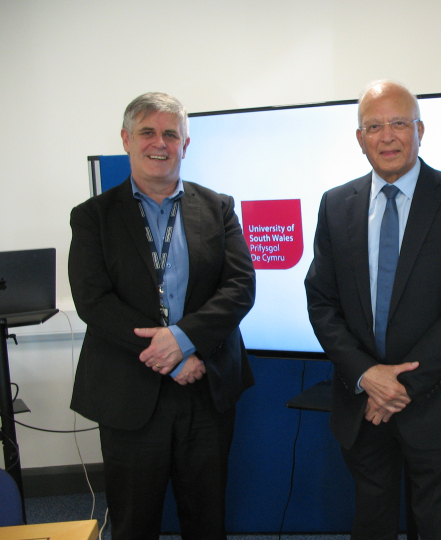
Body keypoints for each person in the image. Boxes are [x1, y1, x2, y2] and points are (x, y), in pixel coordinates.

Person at [304, 80, 441, 540]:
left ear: (420, 130)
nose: (387, 136)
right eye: (374, 126)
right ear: (359, 138)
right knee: (373, 527)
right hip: (361, 405)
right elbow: (322, 303)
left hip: (437, 403)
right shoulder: (335, 205)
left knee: (440, 531)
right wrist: (368, 376)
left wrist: (398, 385)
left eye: (399, 123)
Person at [69, 92, 256, 540]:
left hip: (205, 387)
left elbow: (240, 288)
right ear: (126, 140)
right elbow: (93, 300)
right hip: (128, 392)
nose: (159, 143)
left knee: (207, 520)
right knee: (134, 522)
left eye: (170, 134)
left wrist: (186, 339)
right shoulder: (93, 217)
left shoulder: (219, 207)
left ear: (185, 144)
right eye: (147, 132)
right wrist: (170, 354)